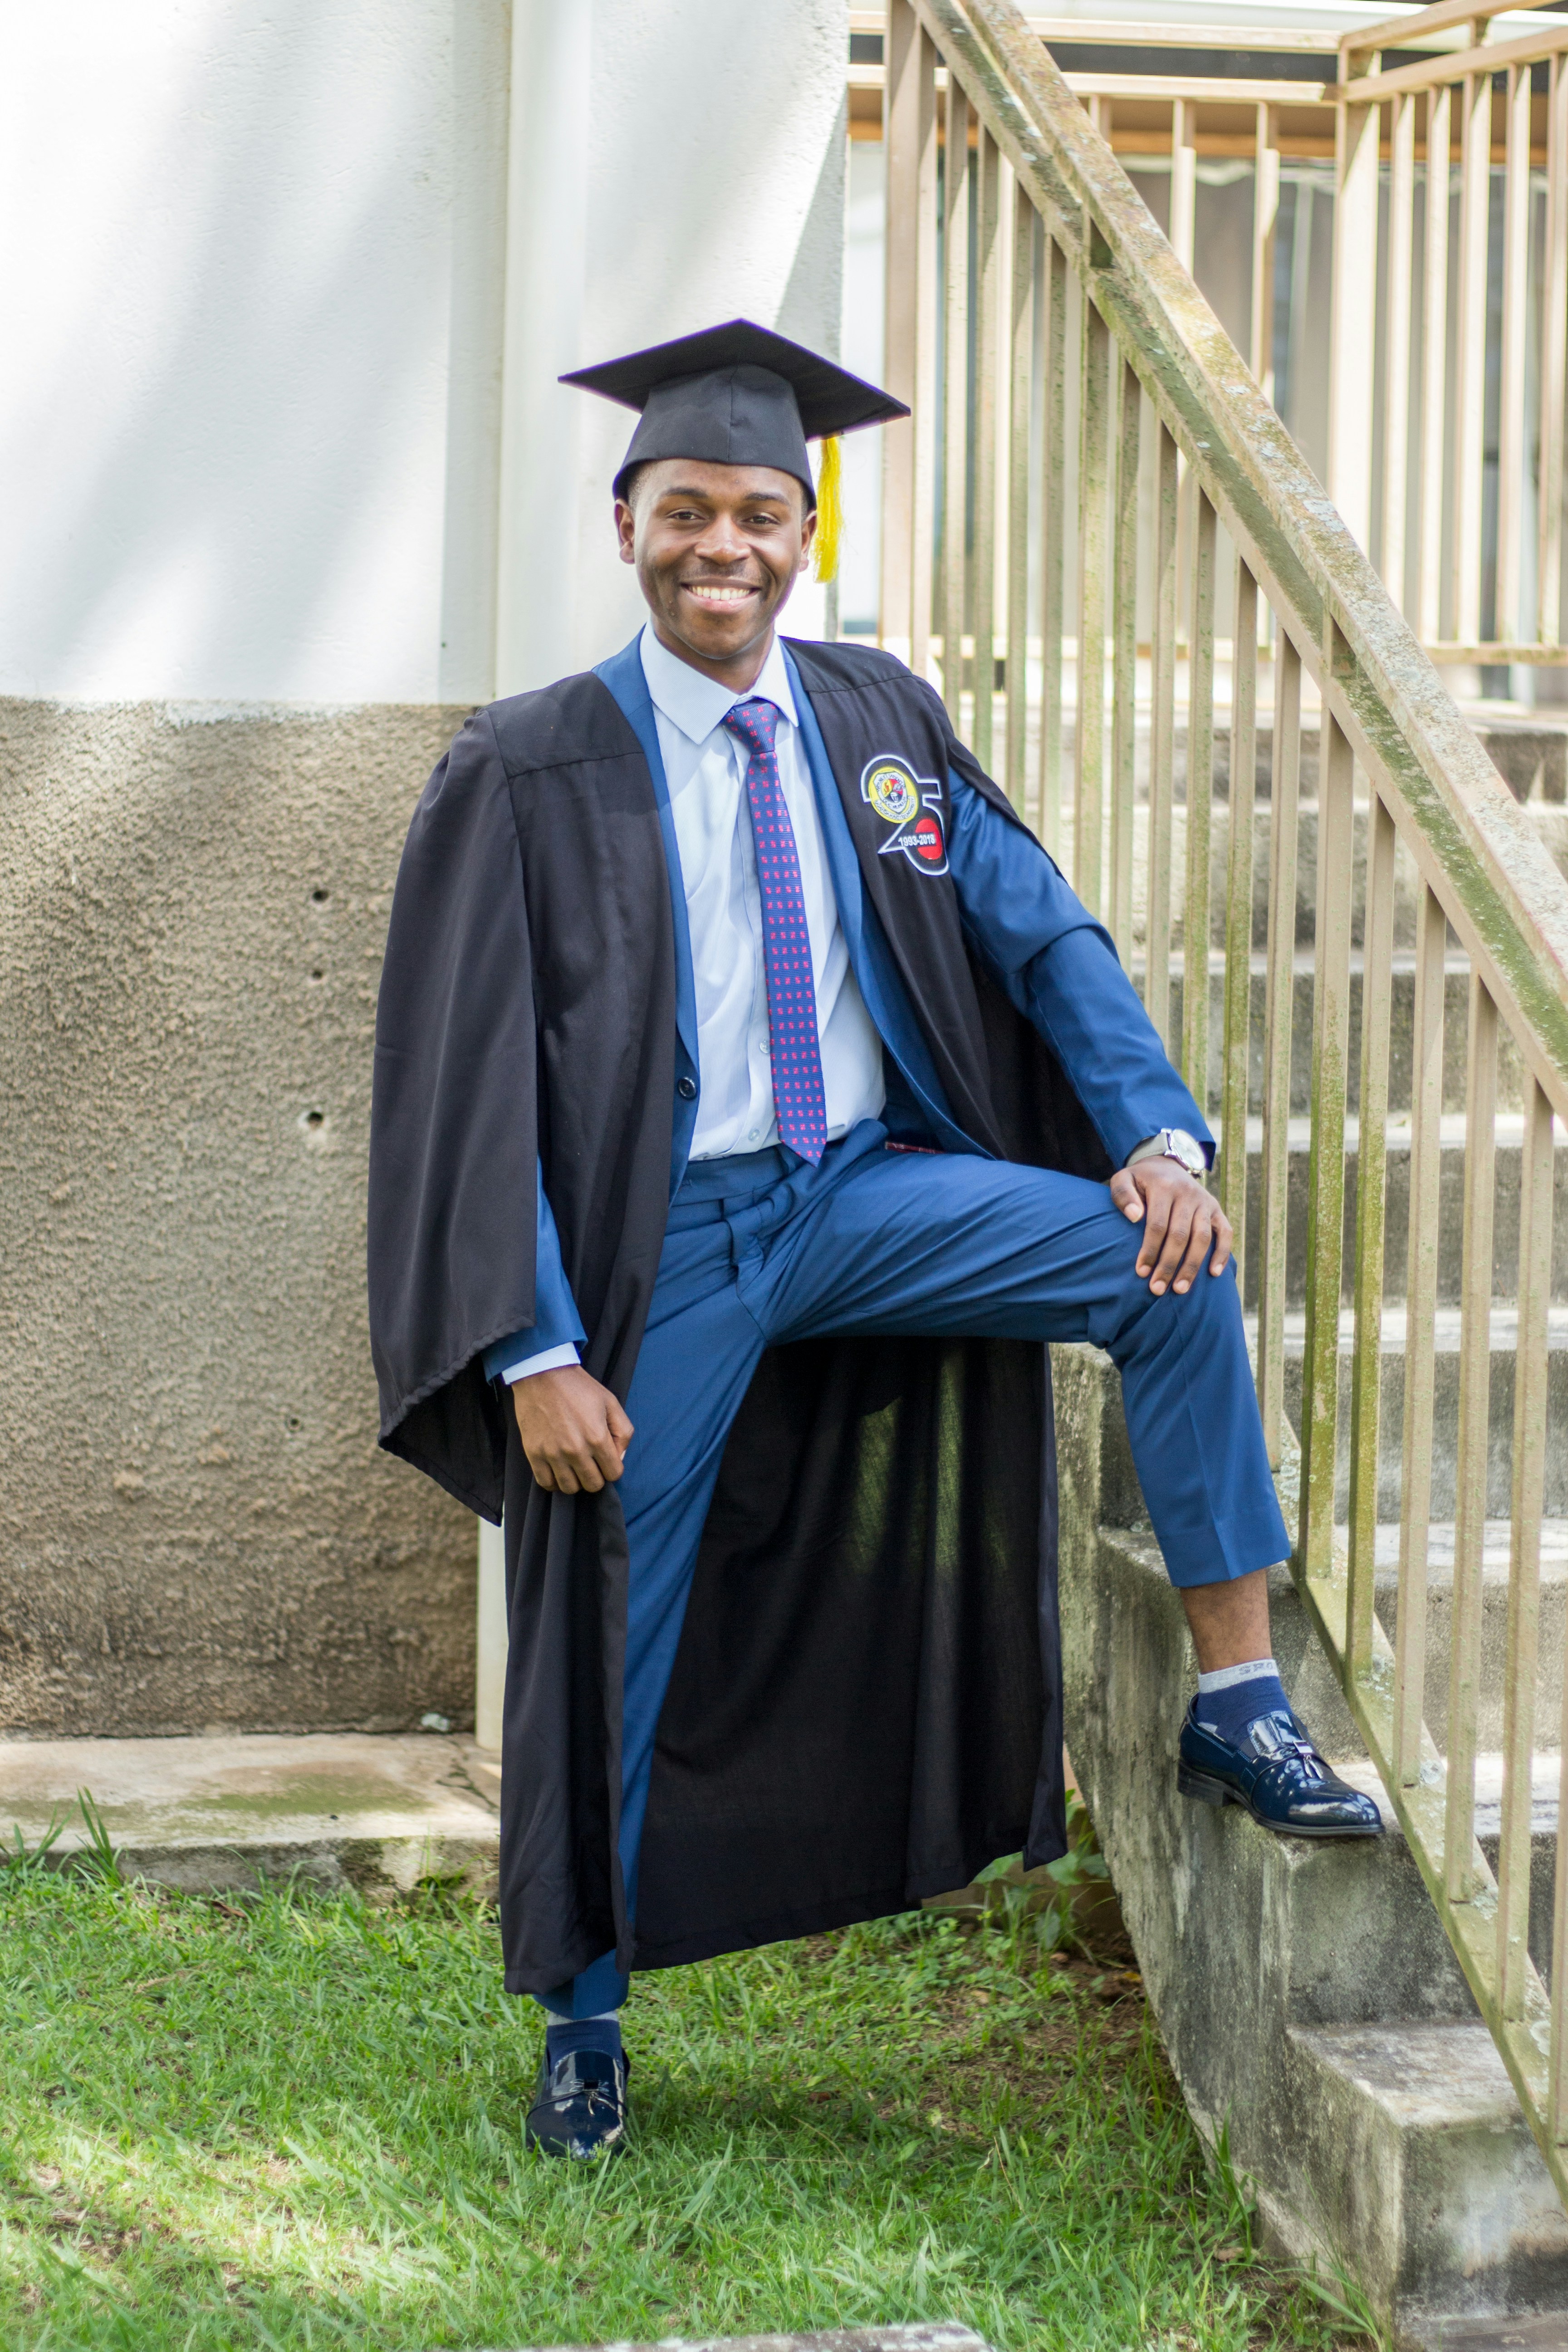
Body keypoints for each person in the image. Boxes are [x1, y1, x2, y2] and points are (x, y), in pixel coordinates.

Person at [368, 317, 1379, 2164]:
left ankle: (1239, 1700)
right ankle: (585, 2018)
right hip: (669, 1240)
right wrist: (531, 1341)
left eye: (761, 514)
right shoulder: (527, 767)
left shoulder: (874, 722)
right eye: (689, 511)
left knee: (1169, 1268)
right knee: (610, 1601)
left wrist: (1156, 1135)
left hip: (862, 1192)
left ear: (804, 535)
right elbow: (469, 1081)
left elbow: (1038, 927)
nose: (724, 548)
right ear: (626, 525)